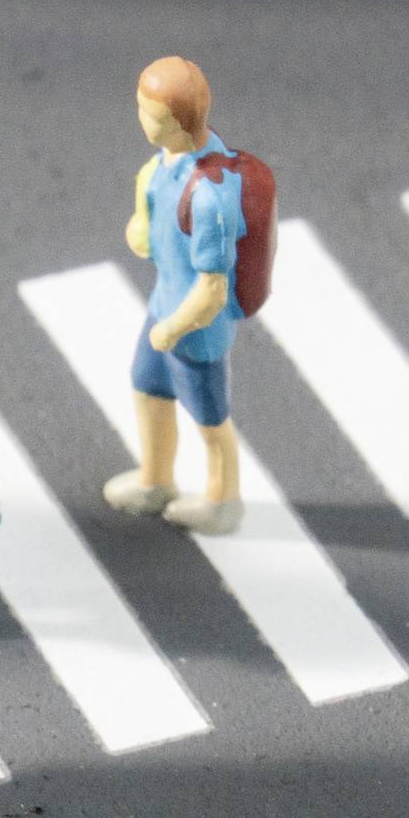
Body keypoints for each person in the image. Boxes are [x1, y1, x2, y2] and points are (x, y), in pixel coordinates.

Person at [105, 55, 246, 535]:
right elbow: (147, 239)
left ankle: (223, 500)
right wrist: (139, 218)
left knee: (211, 420)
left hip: (194, 329)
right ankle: (156, 479)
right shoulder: (162, 166)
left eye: (150, 113)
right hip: (164, 306)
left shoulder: (209, 196)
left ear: (178, 122)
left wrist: (173, 329)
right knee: (147, 389)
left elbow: (212, 289)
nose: (140, 119)